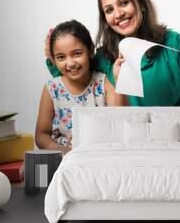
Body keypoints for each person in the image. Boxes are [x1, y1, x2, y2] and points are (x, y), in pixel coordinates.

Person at [46, 0, 180, 106]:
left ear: (140, 3)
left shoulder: (175, 44)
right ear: (105, 18)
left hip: (176, 138)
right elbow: (76, 76)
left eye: (124, 3)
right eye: (109, 10)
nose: (118, 14)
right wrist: (52, 59)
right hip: (129, 141)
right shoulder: (105, 56)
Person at [35, 20, 126, 154]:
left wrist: (119, 80)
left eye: (77, 54)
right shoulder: (52, 88)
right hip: (63, 157)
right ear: (53, 60)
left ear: (90, 51)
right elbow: (41, 135)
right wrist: (64, 152)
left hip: (96, 153)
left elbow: (120, 119)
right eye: (61, 57)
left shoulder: (103, 83)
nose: (70, 63)